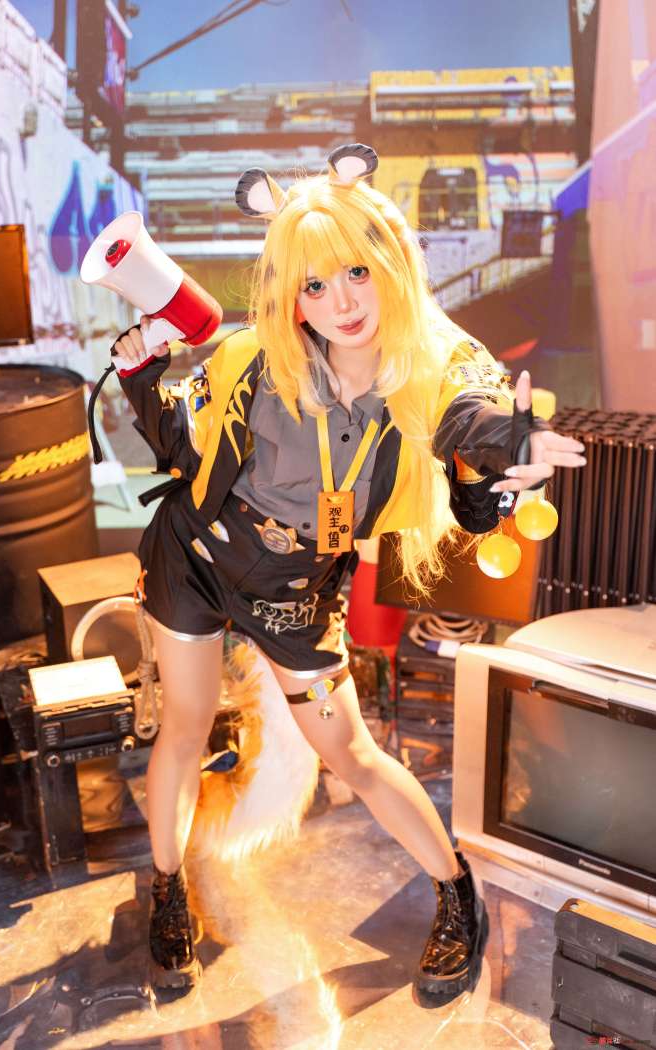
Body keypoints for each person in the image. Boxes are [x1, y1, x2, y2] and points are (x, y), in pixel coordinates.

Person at [109, 144, 586, 1006]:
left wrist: (514, 441)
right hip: (195, 557)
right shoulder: (255, 357)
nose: (341, 303)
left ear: (392, 261)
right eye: (315, 285)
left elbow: (471, 420)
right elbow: (184, 446)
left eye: (357, 272)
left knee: (351, 753)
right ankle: (169, 889)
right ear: (291, 295)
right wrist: (142, 371)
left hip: (293, 592)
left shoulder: (437, 364)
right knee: (181, 725)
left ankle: (457, 895)